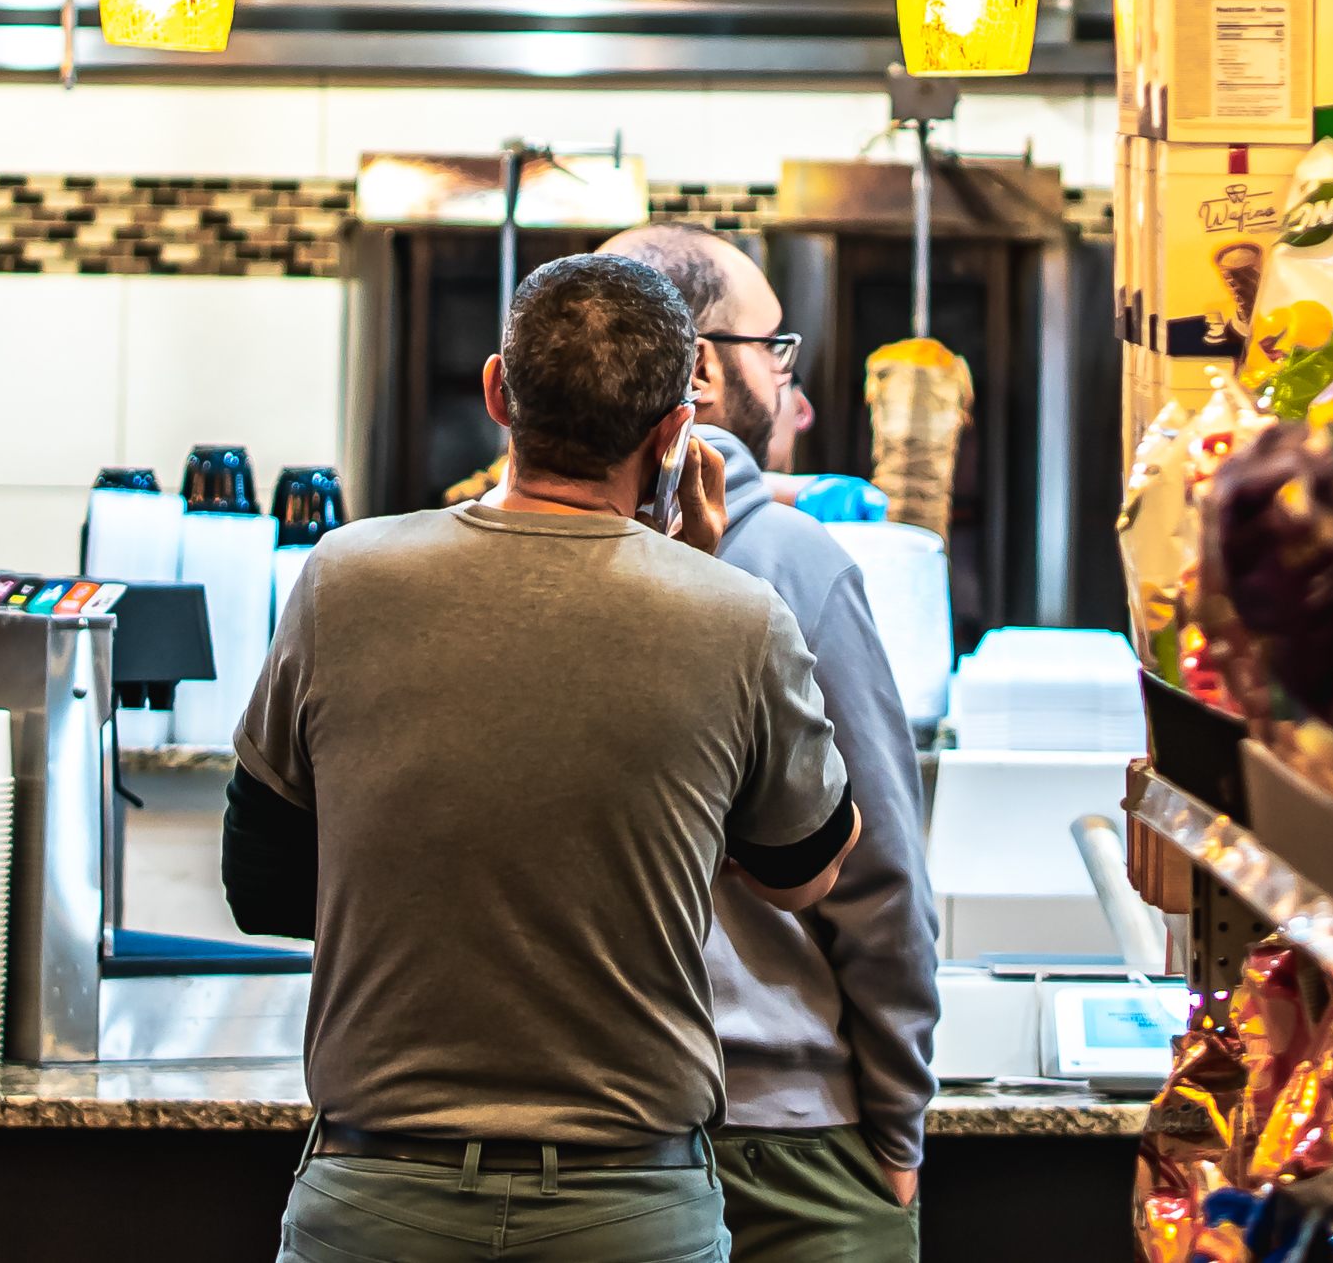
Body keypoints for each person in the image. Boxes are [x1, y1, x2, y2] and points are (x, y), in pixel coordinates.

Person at [227, 253, 857, 1263]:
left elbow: (259, 886)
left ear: (496, 394)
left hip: (379, 1199)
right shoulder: (734, 618)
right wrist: (689, 581)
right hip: (629, 1212)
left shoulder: (342, 580)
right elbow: (805, 871)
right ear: (671, 431)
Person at [606, 224, 936, 1261]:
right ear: (701, 367)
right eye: (773, 350)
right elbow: (876, 877)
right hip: (781, 1143)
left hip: (582, 1134)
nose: (791, 391)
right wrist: (896, 1118)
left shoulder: (490, 561)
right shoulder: (794, 562)